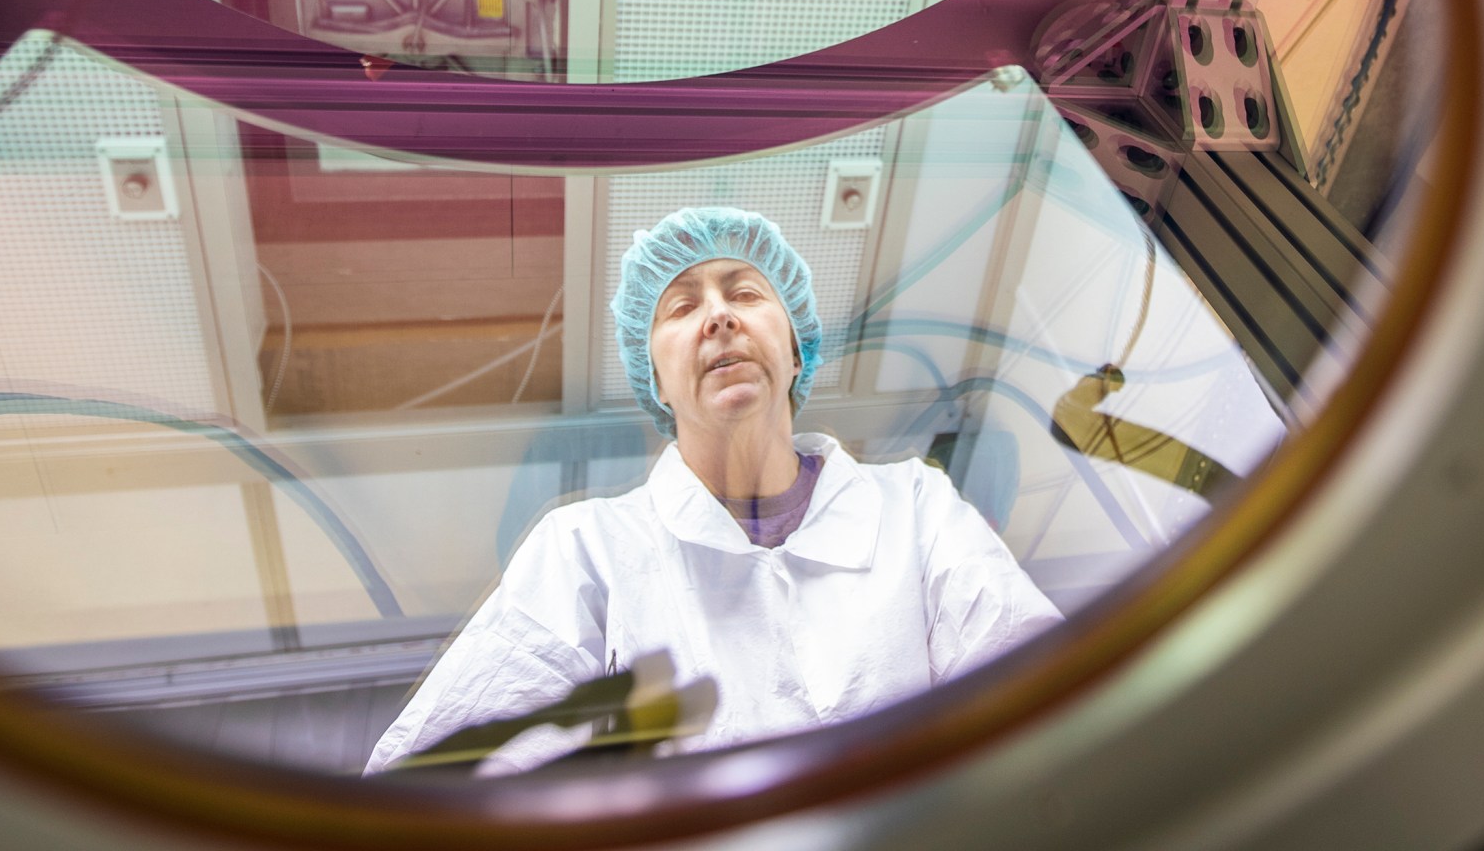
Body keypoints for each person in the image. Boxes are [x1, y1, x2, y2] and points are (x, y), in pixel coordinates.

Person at [365, 207, 1062, 773]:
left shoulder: (916, 507)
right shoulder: (587, 550)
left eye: (746, 293)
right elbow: (438, 785)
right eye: (681, 307)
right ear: (656, 382)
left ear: (796, 350)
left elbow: (1042, 708)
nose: (719, 317)